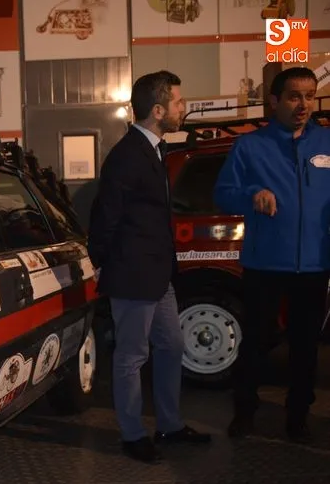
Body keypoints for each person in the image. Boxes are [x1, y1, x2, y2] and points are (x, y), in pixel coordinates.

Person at [88, 70, 211, 463]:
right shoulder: (127, 156)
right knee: (131, 356)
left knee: (172, 346)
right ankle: (132, 434)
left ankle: (169, 425)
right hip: (133, 274)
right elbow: (105, 216)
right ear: (158, 111)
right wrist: (103, 264)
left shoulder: (154, 150)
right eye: (178, 102)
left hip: (158, 275)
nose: (183, 108)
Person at [213, 66, 330, 443]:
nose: (304, 105)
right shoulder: (249, 146)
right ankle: (244, 412)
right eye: (294, 96)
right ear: (275, 101)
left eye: (310, 96)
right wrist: (252, 195)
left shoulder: (326, 143)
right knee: (257, 342)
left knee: (305, 348)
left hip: (314, 265)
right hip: (264, 264)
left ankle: (298, 419)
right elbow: (223, 194)